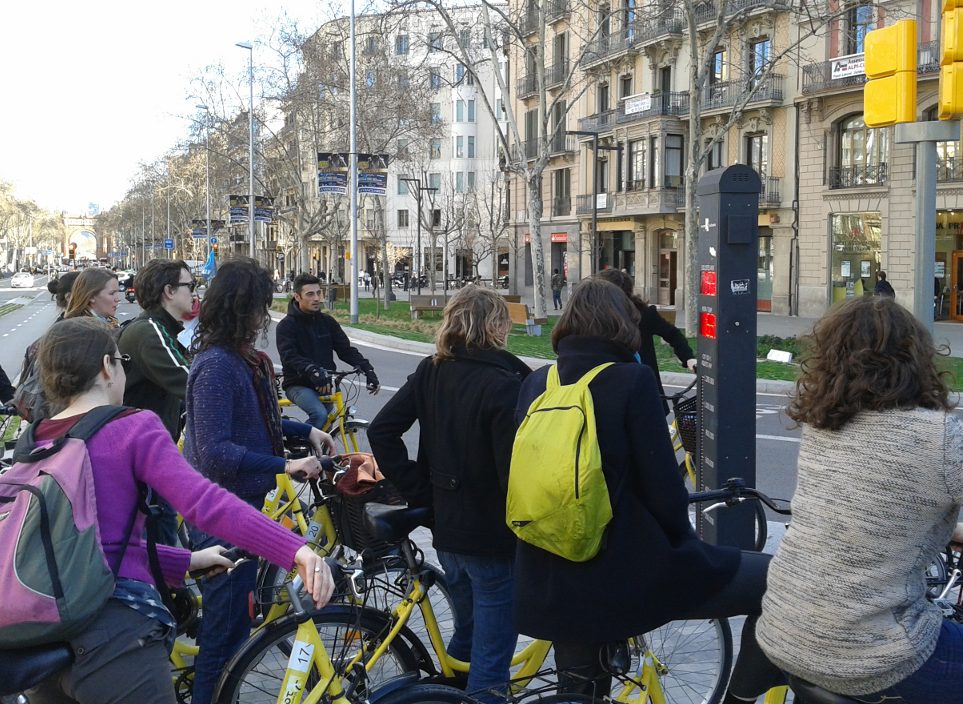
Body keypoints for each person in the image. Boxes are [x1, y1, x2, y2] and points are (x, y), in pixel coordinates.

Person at [24, 317, 334, 704]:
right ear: (108, 367)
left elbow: (87, 549)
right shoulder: (132, 427)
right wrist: (294, 549)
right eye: (122, 361)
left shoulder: (36, 438)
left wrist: (185, 561)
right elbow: (204, 502)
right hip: (114, 638)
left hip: (43, 640)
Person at [511, 278, 783, 703]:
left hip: (548, 574)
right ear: (623, 323)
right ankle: (742, 699)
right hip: (621, 571)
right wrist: (685, 547)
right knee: (776, 583)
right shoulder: (631, 381)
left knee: (579, 692)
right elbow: (665, 495)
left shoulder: (537, 383)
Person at [757, 296, 963, 703]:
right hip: (874, 655)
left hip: (784, 630)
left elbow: (862, 512)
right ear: (917, 357)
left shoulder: (823, 424)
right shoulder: (940, 437)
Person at [183, 258, 337, 704]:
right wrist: (285, 465)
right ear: (243, 309)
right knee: (225, 631)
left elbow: (254, 421)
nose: (264, 317)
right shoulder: (217, 366)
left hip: (237, 507)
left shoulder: (241, 360)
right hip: (218, 511)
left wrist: (304, 430)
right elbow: (214, 451)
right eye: (260, 306)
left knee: (234, 624)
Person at [369, 286, 531, 702]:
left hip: (446, 530)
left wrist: (422, 493)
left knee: (468, 637)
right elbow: (512, 474)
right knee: (492, 665)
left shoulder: (433, 369)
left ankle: (448, 695)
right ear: (496, 327)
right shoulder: (505, 383)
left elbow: (381, 430)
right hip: (491, 539)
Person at [117, 259, 197, 545]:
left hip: (149, 451)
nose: (195, 293)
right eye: (190, 285)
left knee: (165, 533)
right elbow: (191, 384)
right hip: (142, 455)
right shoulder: (149, 332)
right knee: (161, 542)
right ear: (169, 291)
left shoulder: (162, 329)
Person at [276, 273, 380, 430]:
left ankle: (319, 452)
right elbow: (289, 356)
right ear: (297, 297)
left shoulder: (327, 322)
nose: (317, 298)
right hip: (298, 385)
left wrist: (367, 369)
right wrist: (312, 370)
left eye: (319, 293)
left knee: (326, 423)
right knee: (319, 415)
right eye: (310, 294)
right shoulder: (286, 326)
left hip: (324, 383)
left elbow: (345, 350)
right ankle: (297, 444)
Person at [596, 268, 695, 410]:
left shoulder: (643, 314)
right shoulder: (594, 317)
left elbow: (673, 334)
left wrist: (688, 358)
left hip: (642, 388)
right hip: (609, 389)